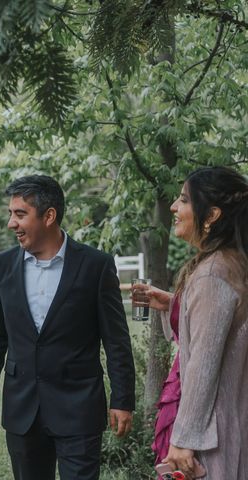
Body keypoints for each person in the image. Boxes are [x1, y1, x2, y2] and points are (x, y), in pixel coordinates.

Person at [0, 174, 136, 480]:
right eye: (11, 214)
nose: (12, 223)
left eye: (20, 214)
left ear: (49, 216)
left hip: (79, 408)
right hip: (22, 409)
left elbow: (116, 339)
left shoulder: (96, 265)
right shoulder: (2, 265)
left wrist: (122, 400)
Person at [133, 166, 248, 479]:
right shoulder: (234, 263)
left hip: (212, 436)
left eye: (183, 200)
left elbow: (202, 365)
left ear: (210, 215)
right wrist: (173, 304)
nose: (173, 207)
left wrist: (184, 439)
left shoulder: (213, 273)